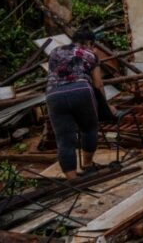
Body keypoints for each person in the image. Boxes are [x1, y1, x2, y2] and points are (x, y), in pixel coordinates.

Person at [45, 27, 113, 179]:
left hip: (54, 95)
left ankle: (72, 179)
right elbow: (98, 84)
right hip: (81, 90)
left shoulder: (55, 51)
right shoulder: (91, 54)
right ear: (89, 42)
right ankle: (87, 165)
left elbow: (53, 75)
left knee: (64, 139)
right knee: (89, 129)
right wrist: (105, 106)